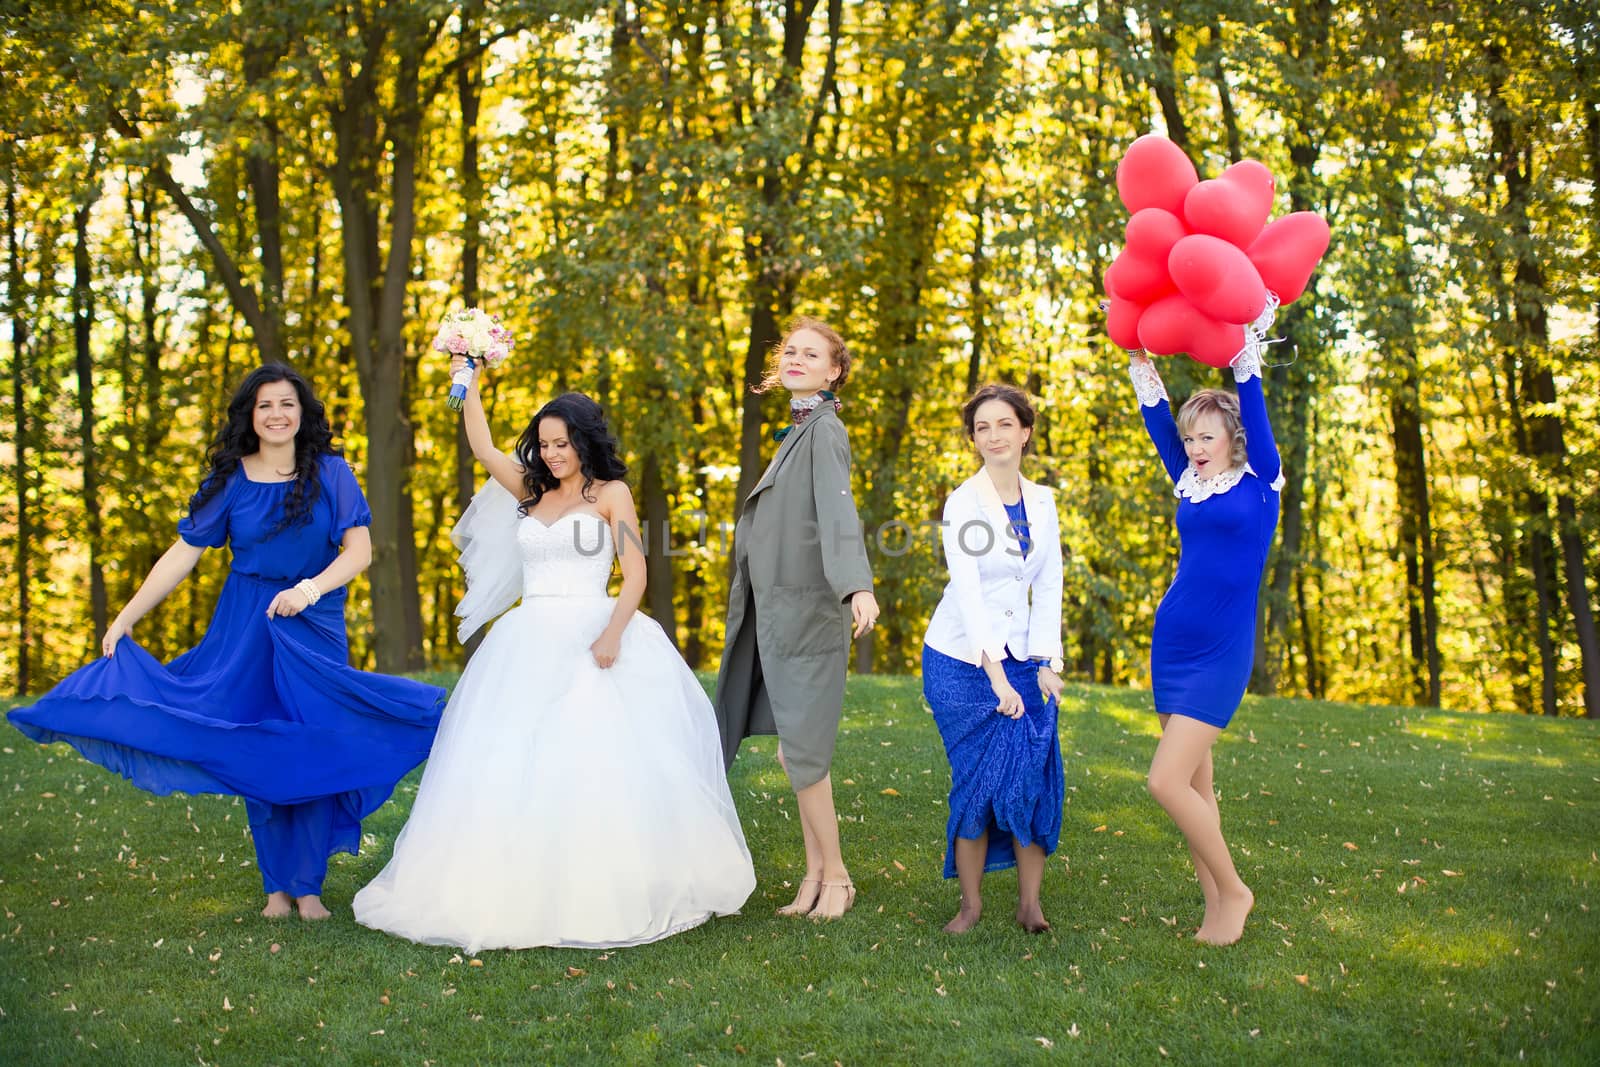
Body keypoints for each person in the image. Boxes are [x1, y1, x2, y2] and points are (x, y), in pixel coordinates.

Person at [7, 364, 446, 920]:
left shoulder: (333, 473)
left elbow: (358, 552)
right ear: (251, 416)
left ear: (302, 413)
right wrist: (126, 616)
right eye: (265, 406)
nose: (277, 415)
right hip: (246, 624)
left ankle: (308, 889)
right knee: (254, 741)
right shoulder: (232, 480)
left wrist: (308, 591)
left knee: (309, 740)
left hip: (312, 621)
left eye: (287, 404)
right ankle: (275, 892)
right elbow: (182, 554)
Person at [352, 368, 755, 952]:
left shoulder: (611, 495)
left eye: (562, 443)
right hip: (525, 637)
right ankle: (502, 880)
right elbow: (483, 446)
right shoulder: (532, 492)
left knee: (594, 757)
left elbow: (636, 571)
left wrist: (614, 634)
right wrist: (473, 375)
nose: (551, 453)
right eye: (544, 444)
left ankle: (604, 881)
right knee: (508, 757)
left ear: (585, 441)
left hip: (594, 628)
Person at [713, 316, 879, 921]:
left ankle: (837, 878)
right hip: (779, 608)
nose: (796, 360)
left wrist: (858, 585)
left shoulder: (826, 432)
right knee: (794, 753)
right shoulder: (798, 432)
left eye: (812, 354)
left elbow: (839, 514)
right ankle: (812, 875)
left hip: (809, 612)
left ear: (835, 371)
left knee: (803, 751)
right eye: (790, 351)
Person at [1127, 336, 1283, 946]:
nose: (1193, 448)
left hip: (1221, 651)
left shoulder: (1260, 481)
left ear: (1234, 440)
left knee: (1164, 782)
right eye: (1190, 438)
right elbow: (1156, 422)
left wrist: (1245, 345)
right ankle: (1216, 903)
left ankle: (1237, 890)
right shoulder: (1187, 480)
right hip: (1172, 641)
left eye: (1206, 438)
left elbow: (1253, 397)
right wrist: (1142, 364)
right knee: (1196, 787)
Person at [921, 383, 1065, 934]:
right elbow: (971, 594)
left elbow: (1049, 583)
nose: (994, 435)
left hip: (1027, 656)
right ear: (974, 440)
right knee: (976, 780)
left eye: (1004, 424)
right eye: (983, 427)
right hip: (962, 660)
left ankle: (1030, 904)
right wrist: (998, 678)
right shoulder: (964, 503)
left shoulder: (1045, 503)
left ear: (1025, 431)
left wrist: (1047, 660)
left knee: (1034, 773)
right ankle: (970, 906)